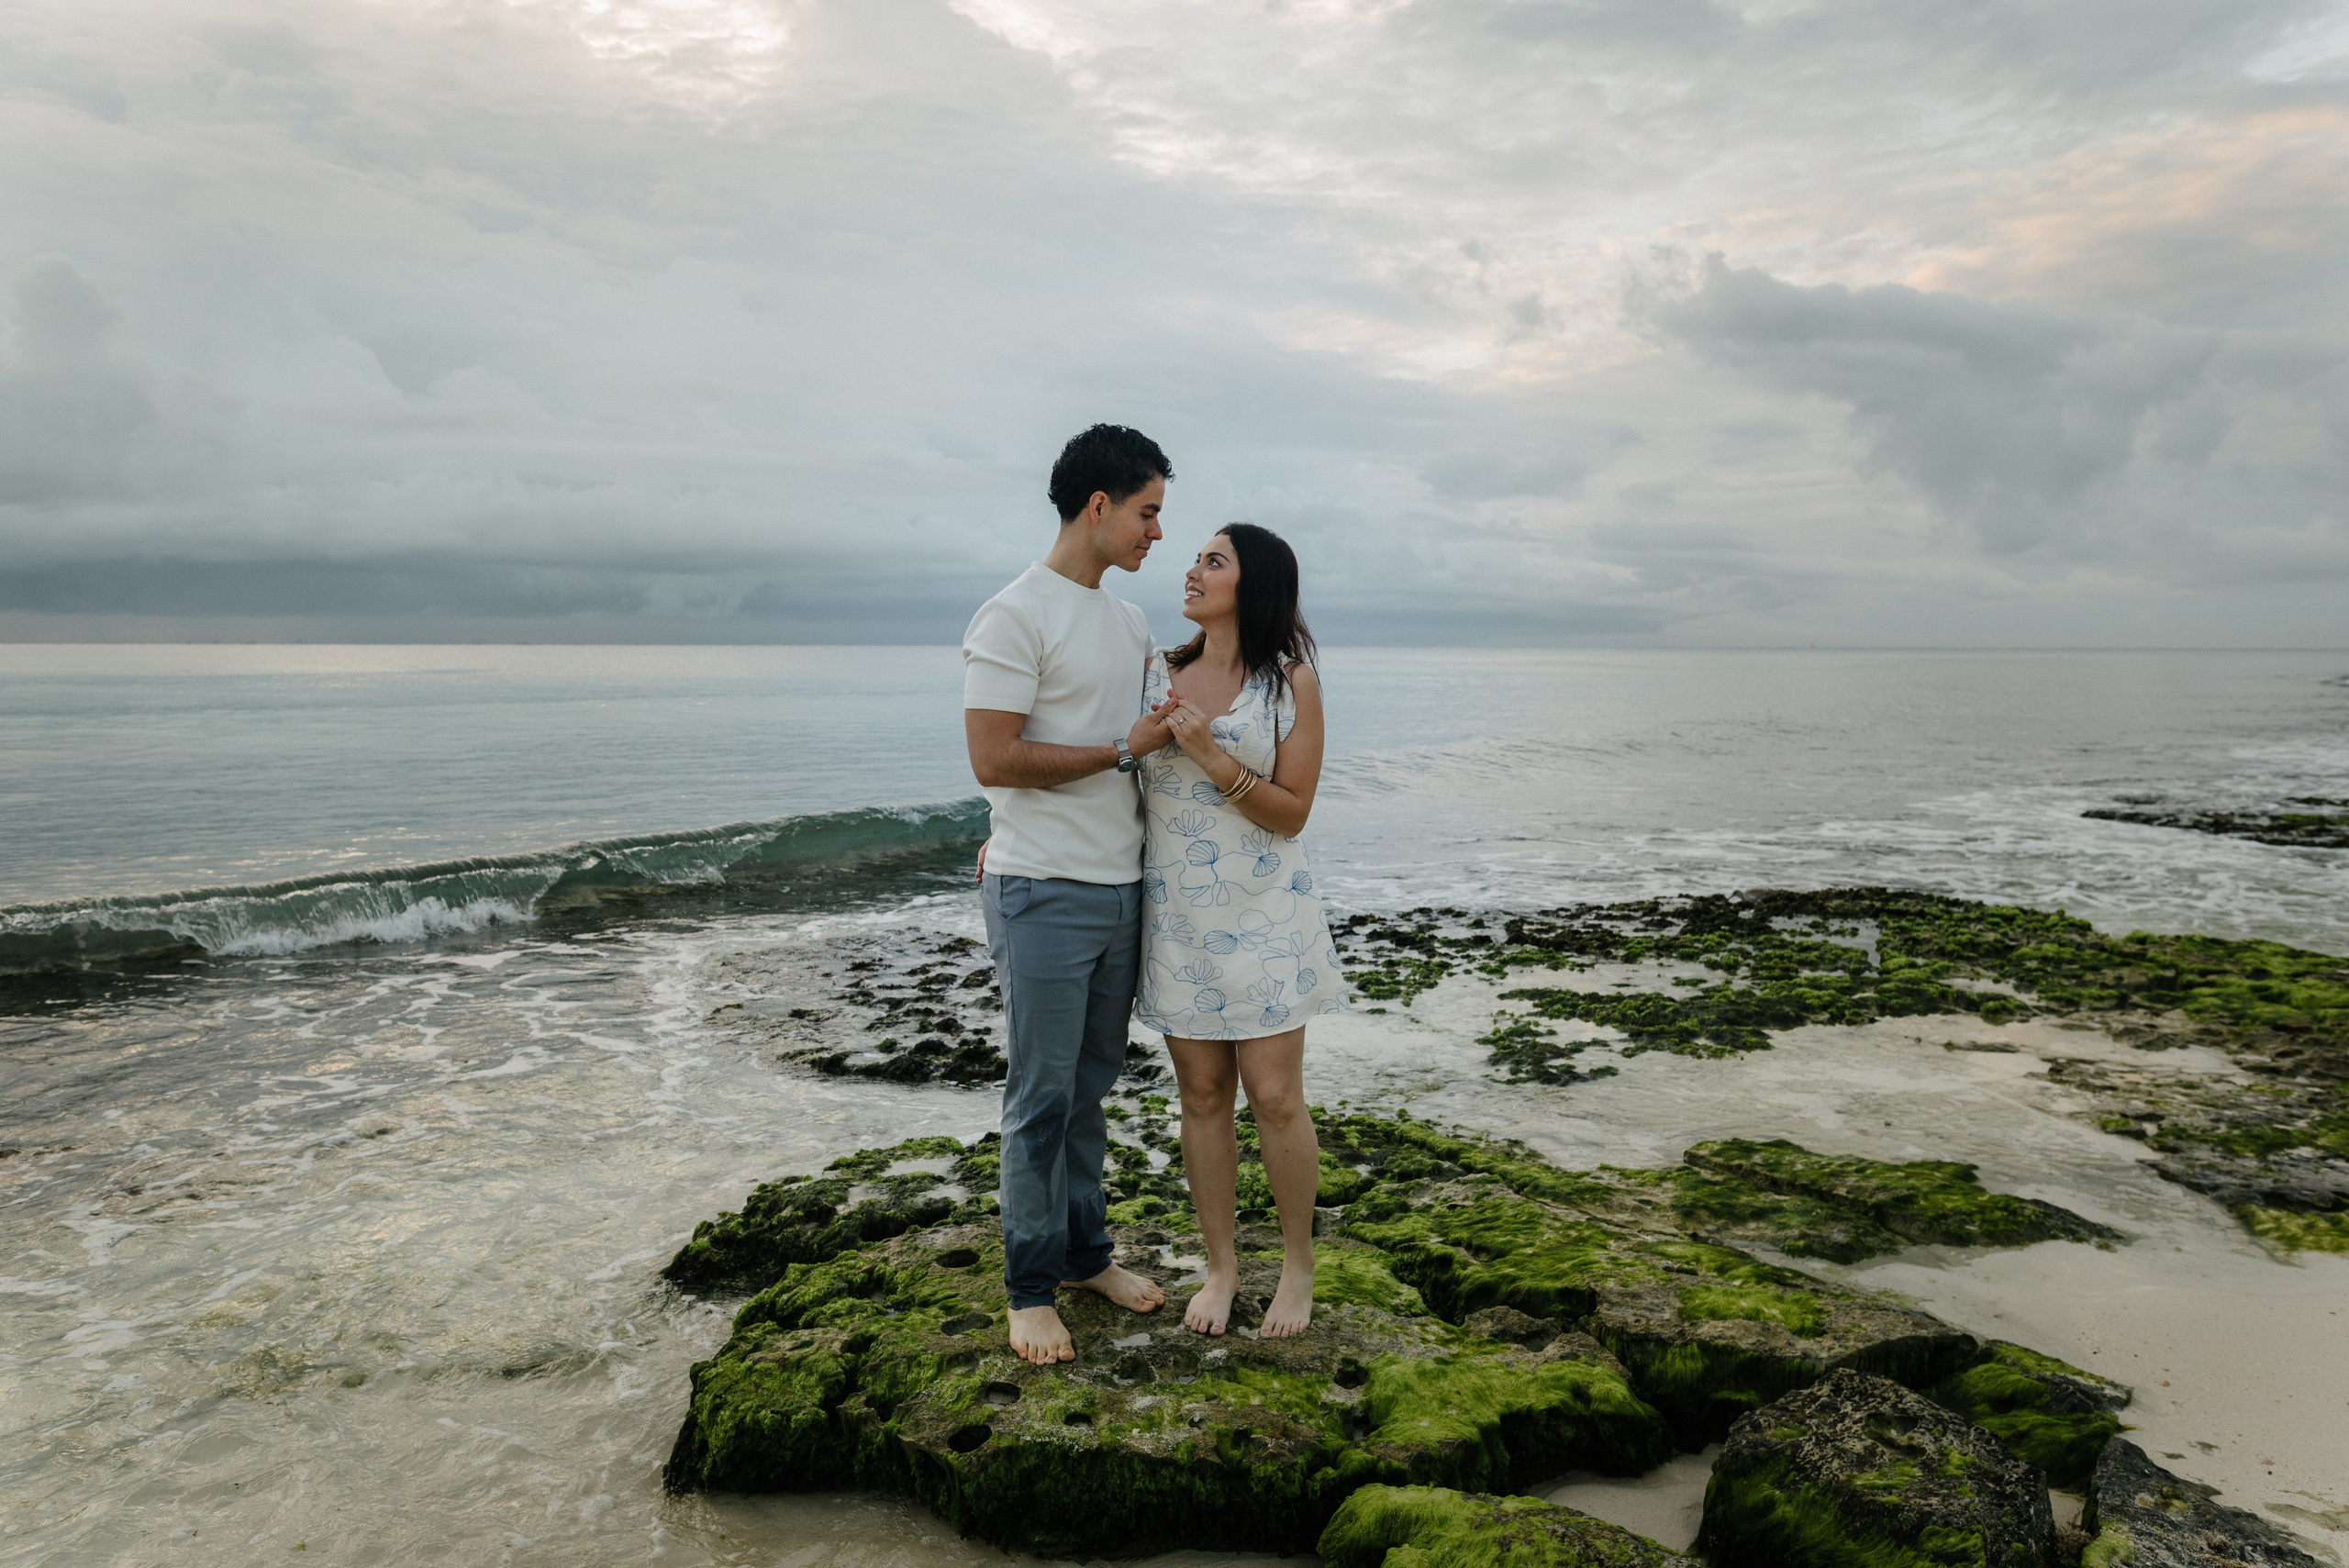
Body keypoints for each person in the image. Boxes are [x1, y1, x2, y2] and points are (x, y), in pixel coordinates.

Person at [963, 423, 1179, 1367]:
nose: (1156, 533)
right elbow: (994, 756)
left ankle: (1087, 1254)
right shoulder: (1012, 615)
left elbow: (1146, 736)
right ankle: (1027, 1287)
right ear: (1099, 505)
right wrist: (1122, 748)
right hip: (1045, 891)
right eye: (1147, 512)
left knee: (1091, 1089)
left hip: (1120, 887)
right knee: (1041, 1094)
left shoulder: (1126, 621)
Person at [1136, 522, 1343, 1339]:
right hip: (1178, 916)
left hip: (1266, 916)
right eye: (1196, 557)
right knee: (1202, 1096)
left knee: (1276, 1097)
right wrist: (1008, 830)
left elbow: (1292, 813)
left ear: (1250, 585)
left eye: (1212, 561)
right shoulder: (1158, 670)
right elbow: (1118, 776)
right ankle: (1220, 1266)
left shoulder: (1290, 683)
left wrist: (1214, 758)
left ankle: (1296, 1268)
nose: (1191, 568)